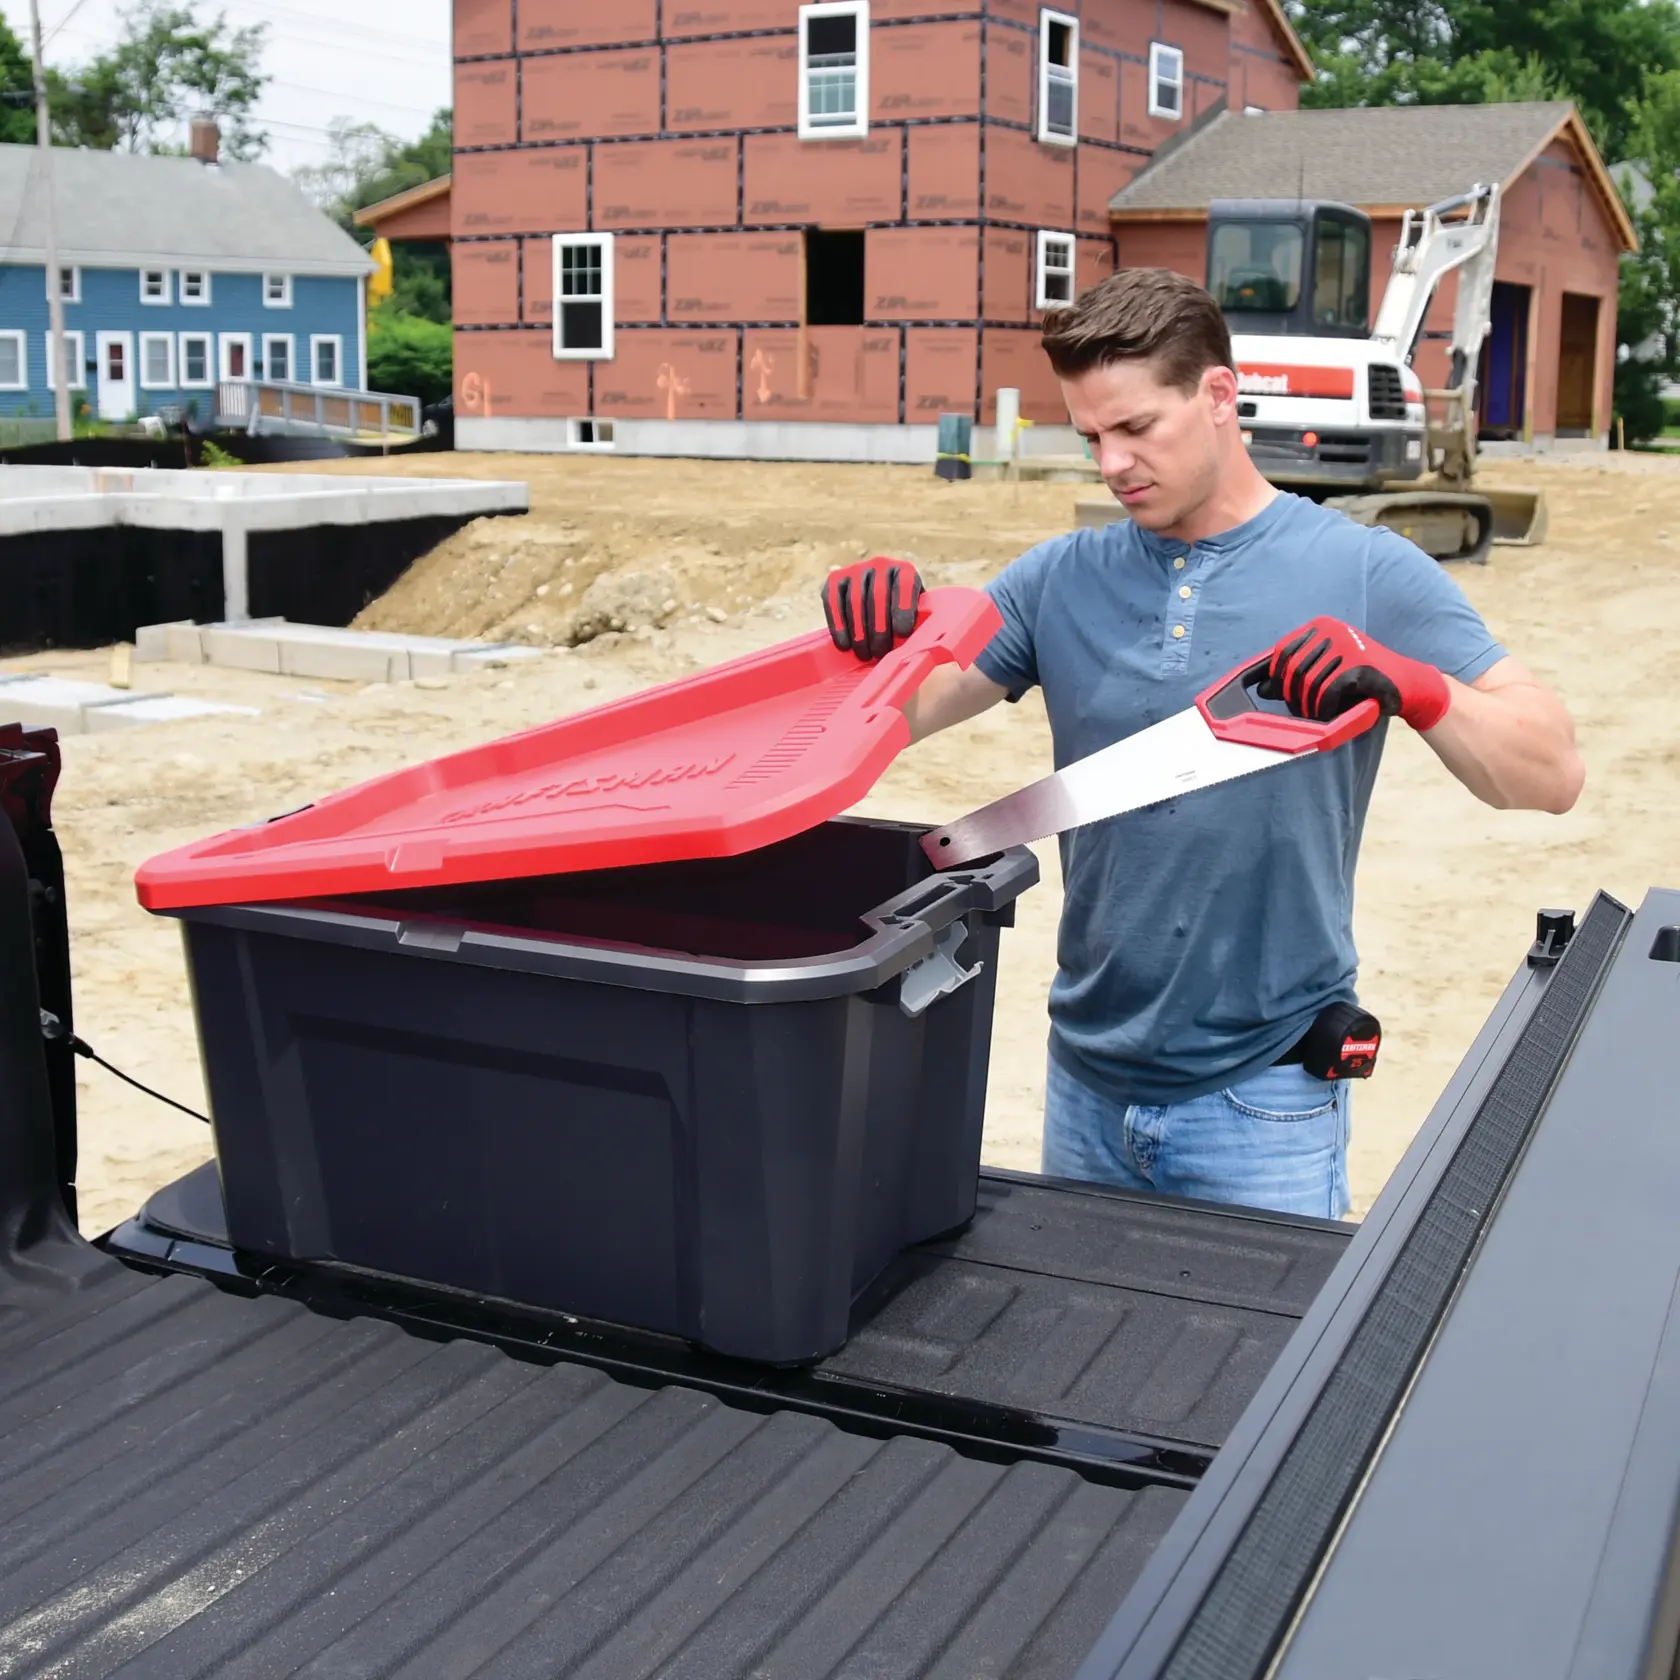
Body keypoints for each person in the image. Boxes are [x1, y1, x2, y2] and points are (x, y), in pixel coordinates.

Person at [820, 267, 1582, 1219]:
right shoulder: (1060, 578)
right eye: (1092, 436)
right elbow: (902, 714)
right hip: (1085, 1086)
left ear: (1219, 395)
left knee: (1266, 1370)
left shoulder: (1361, 569)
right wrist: (876, 644)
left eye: (1137, 429)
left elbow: (1552, 772)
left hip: (1263, 1101)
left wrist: (1420, 688)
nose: (1112, 464)